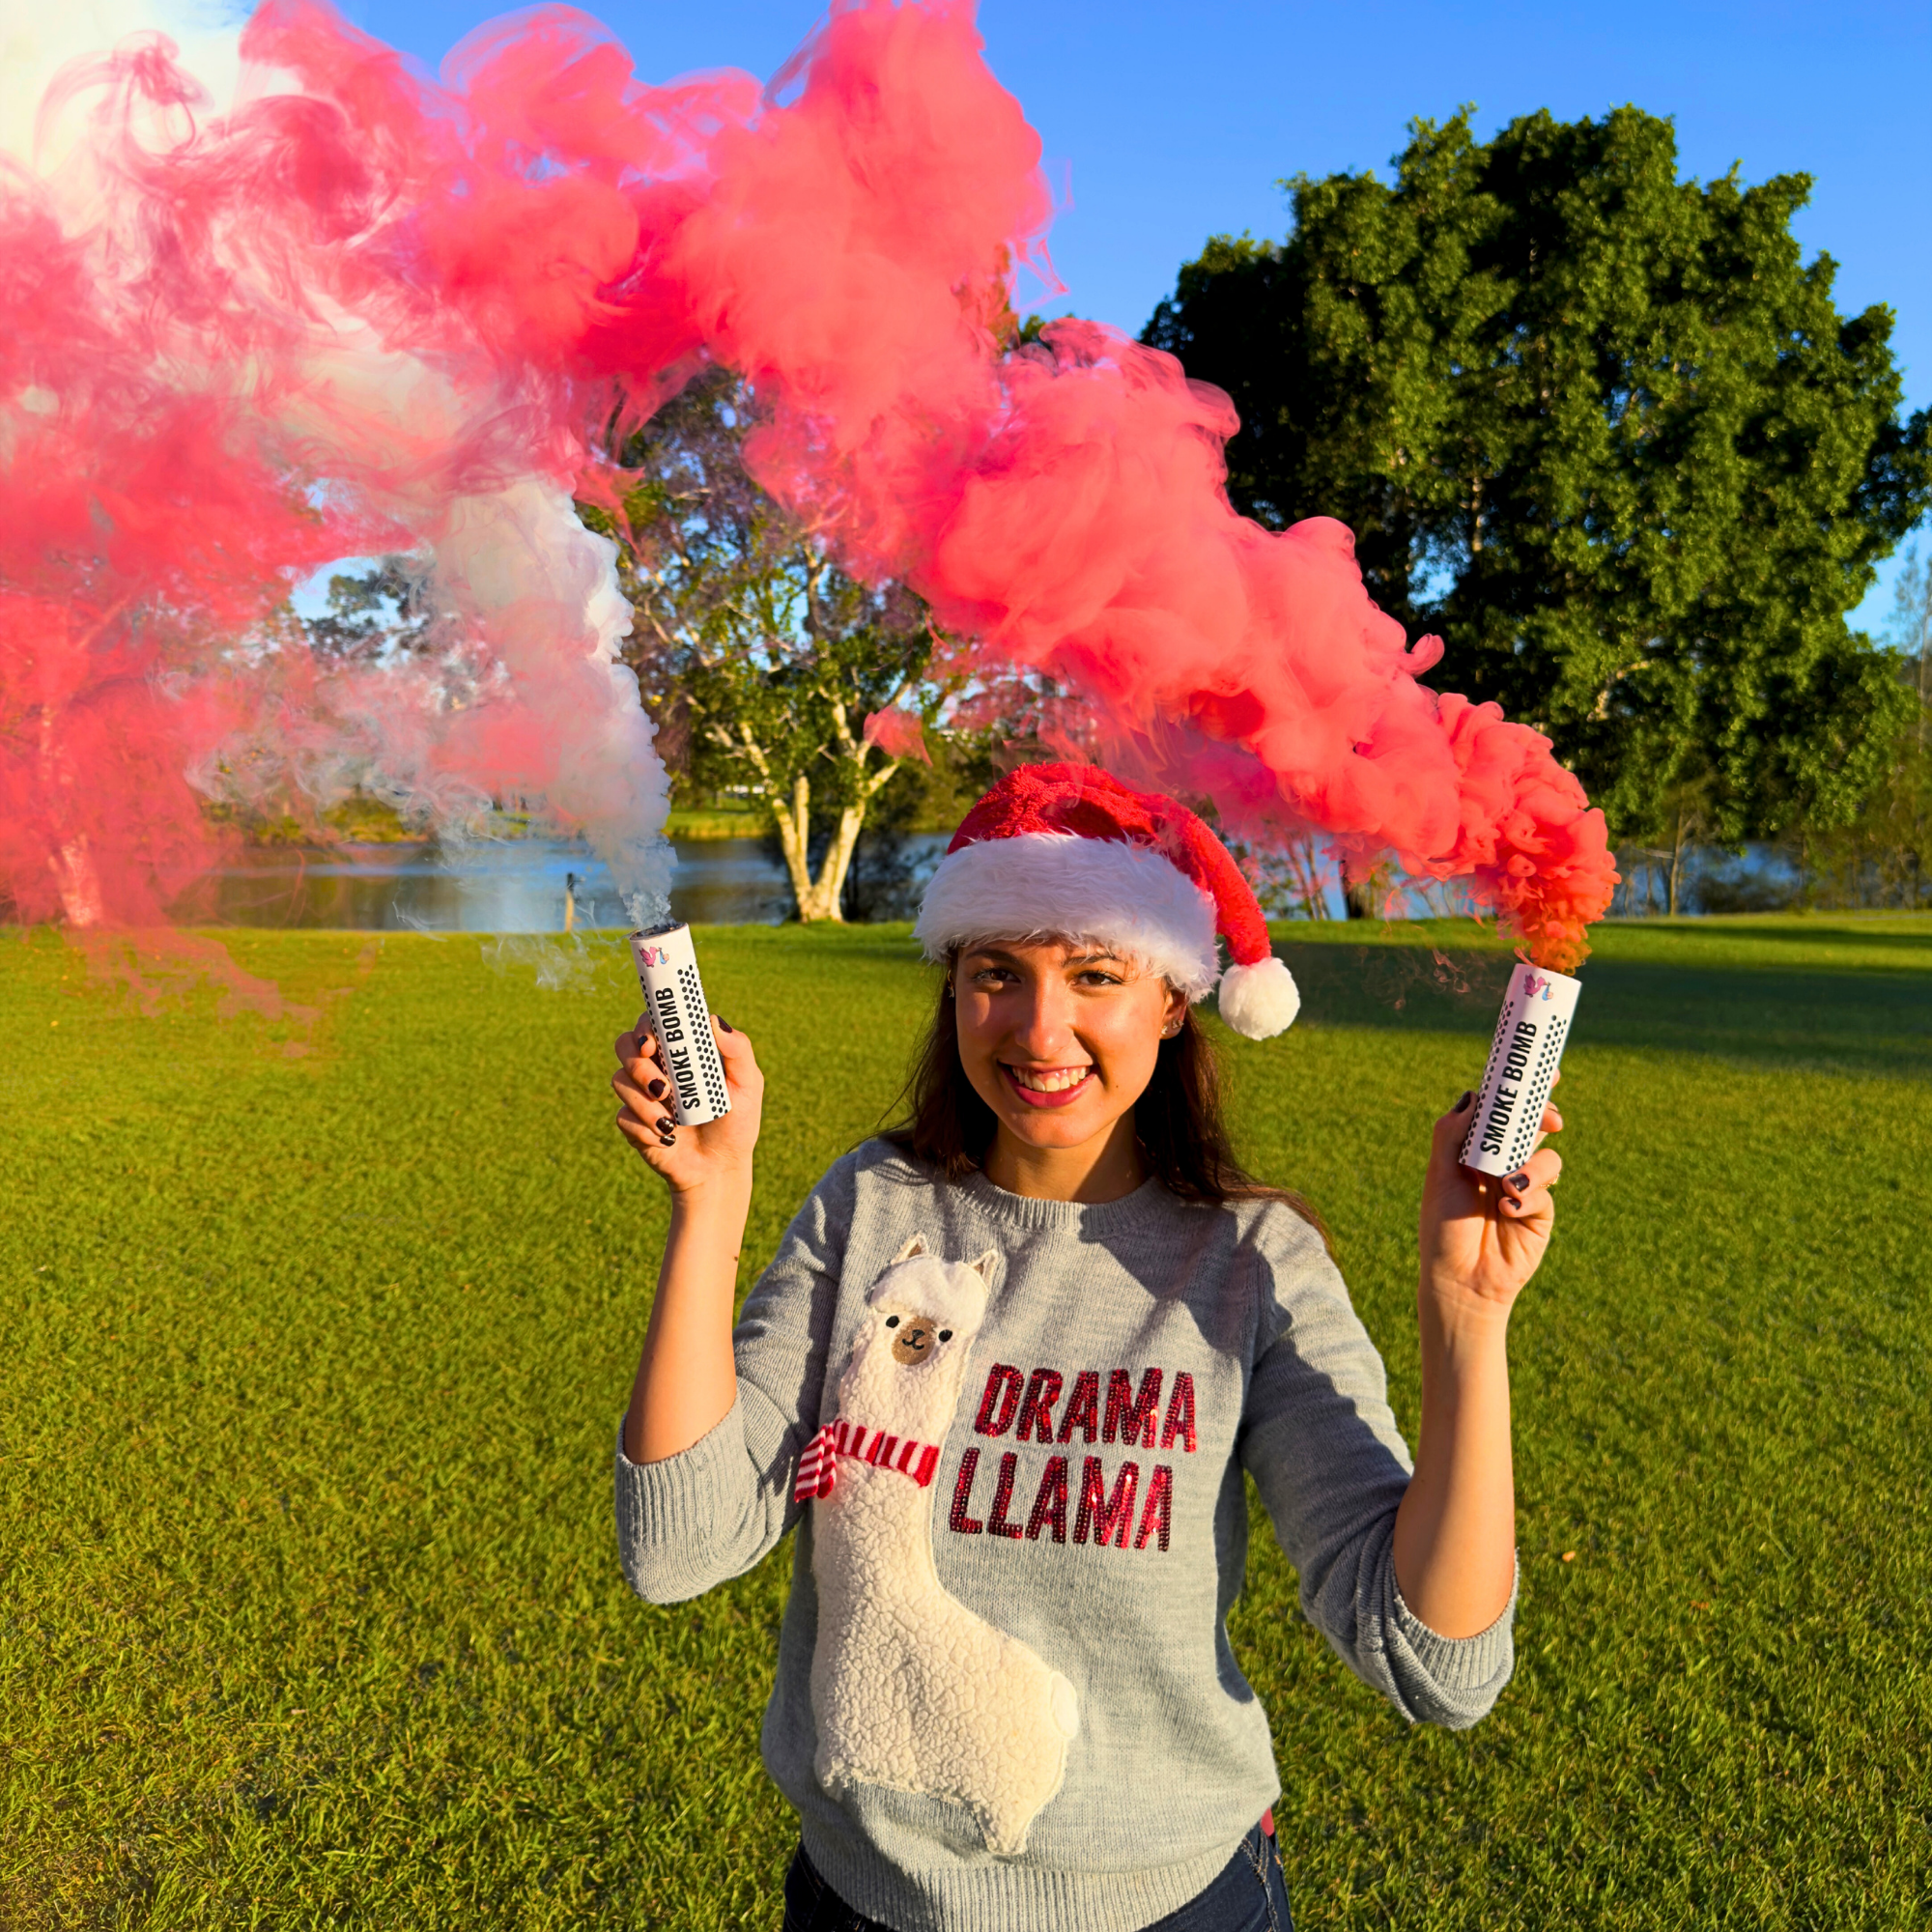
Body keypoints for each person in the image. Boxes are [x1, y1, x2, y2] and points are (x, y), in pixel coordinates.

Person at [610, 763, 1562, 1932]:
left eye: (1094, 974)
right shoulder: (870, 1207)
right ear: (952, 983)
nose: (1037, 1027)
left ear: (1171, 997)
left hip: (1169, 1908)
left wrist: (1466, 1318)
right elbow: (679, 1542)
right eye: (994, 972)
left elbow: (1435, 1663)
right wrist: (708, 1205)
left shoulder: (1249, 1263)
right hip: (865, 1904)